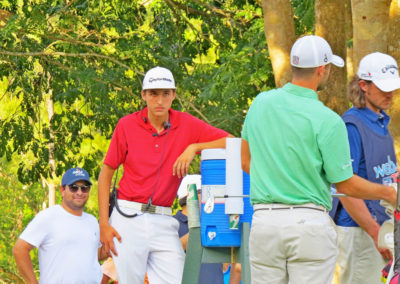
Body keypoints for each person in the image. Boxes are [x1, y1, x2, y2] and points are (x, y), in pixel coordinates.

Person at [240, 35, 397, 284]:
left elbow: (246, 161)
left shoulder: (260, 104)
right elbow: (345, 185)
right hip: (308, 224)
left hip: (264, 222)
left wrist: (278, 181)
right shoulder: (328, 120)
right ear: (322, 70)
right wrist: (388, 194)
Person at [97, 66, 232, 283]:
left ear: (174, 95)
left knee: (178, 279)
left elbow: (233, 141)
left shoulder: (186, 123)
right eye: (153, 93)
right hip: (127, 217)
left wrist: (194, 147)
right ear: (144, 95)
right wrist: (104, 223)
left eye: (165, 93)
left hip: (163, 217)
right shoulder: (126, 125)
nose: (159, 100)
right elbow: (105, 176)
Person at [331, 52, 400, 284]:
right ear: (364, 85)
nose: (390, 93)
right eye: (383, 88)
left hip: (383, 231)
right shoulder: (351, 126)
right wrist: (374, 232)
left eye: (392, 87)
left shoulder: (381, 121)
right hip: (358, 233)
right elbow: (344, 186)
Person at [13, 167, 103, 284]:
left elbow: (92, 255)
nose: (79, 192)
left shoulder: (92, 221)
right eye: (73, 188)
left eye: (84, 188)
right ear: (62, 190)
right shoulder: (48, 217)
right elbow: (19, 249)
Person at [174, 174, 224, 284]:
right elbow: (173, 251)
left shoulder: (214, 223)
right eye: (204, 192)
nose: (209, 198)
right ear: (189, 195)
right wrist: (200, 228)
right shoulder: (172, 224)